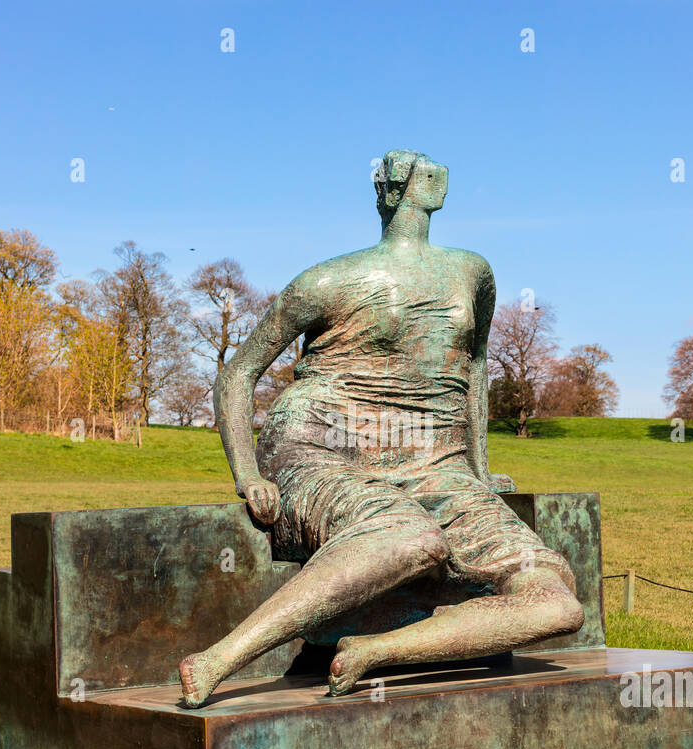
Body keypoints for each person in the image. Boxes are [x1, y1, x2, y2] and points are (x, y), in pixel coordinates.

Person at [178, 150, 583, 707]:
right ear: (392, 191)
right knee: (410, 540)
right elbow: (238, 373)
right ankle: (219, 658)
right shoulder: (326, 280)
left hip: (435, 461)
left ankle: (377, 650)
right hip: (323, 444)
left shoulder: (472, 272)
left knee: (557, 602)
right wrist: (248, 474)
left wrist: (479, 472)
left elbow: (473, 366)